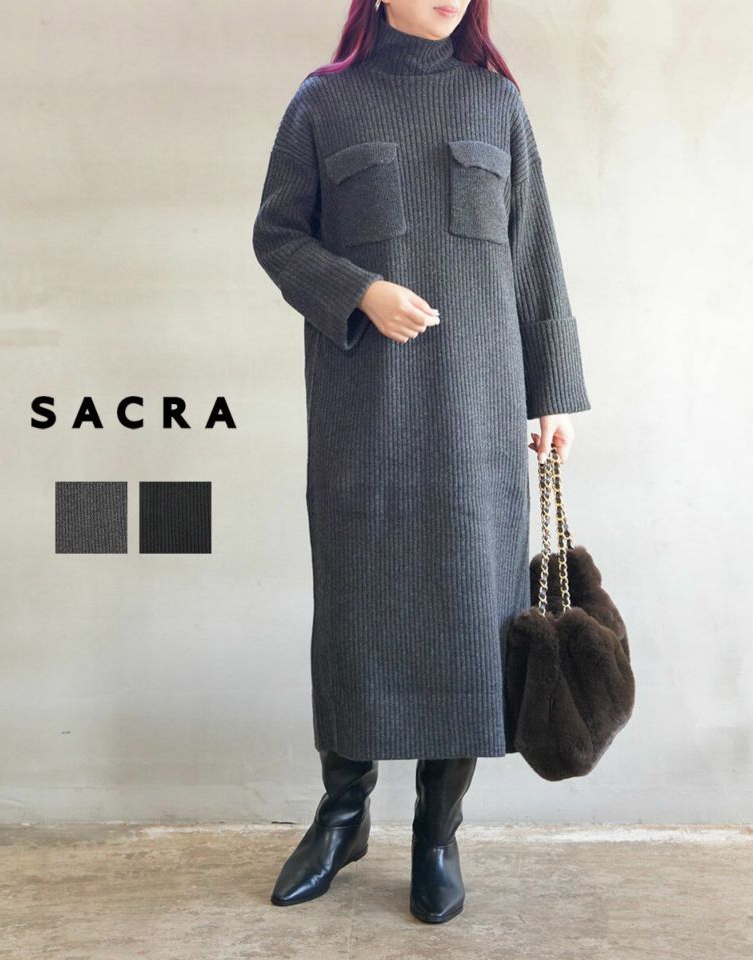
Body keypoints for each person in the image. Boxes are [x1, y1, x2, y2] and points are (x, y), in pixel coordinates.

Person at [251, 0, 591, 924]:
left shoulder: (495, 103)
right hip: (365, 416)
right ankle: (344, 813)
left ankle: (437, 831)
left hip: (478, 412)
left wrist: (553, 393)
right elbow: (277, 236)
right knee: (356, 612)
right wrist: (360, 289)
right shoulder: (324, 102)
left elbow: (534, 253)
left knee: (473, 614)